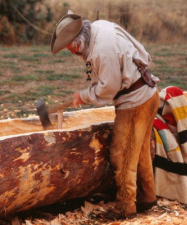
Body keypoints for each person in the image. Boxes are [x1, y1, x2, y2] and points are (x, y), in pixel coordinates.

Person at [50, 11, 160, 219]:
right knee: (140, 150)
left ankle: (128, 211)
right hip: (148, 93)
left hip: (134, 102)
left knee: (122, 156)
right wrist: (89, 90)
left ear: (78, 39)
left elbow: (109, 88)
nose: (69, 51)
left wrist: (84, 95)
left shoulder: (102, 51)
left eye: (70, 46)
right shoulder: (99, 28)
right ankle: (147, 198)